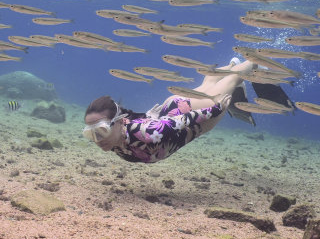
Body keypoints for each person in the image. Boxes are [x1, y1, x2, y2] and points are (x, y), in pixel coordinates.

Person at [83, 58, 258, 163]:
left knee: (233, 80)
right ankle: (232, 64)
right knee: (207, 85)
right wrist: (148, 116)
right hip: (172, 110)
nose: (97, 140)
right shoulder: (116, 136)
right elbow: (134, 122)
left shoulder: (146, 133)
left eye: (101, 131)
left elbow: (181, 121)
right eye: (91, 134)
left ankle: (258, 60)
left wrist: (216, 108)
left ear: (118, 122)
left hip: (191, 117)